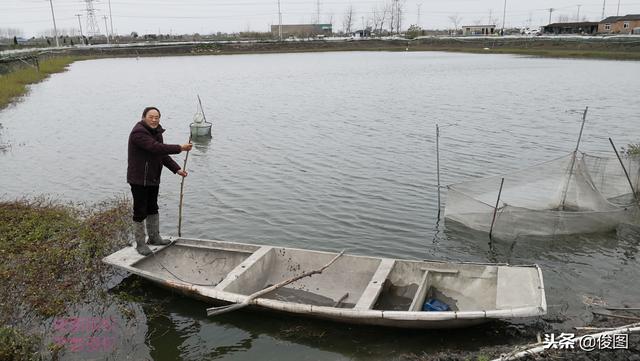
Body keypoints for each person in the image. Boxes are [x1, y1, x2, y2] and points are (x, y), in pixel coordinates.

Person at [127, 106, 192, 255]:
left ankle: (154, 237)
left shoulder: (156, 132)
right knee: (140, 211)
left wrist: (177, 169)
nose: (154, 119)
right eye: (151, 117)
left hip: (153, 177)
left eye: (157, 117)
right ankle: (141, 244)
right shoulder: (138, 133)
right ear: (144, 117)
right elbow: (155, 148)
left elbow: (161, 154)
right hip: (139, 179)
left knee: (153, 208)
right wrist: (180, 148)